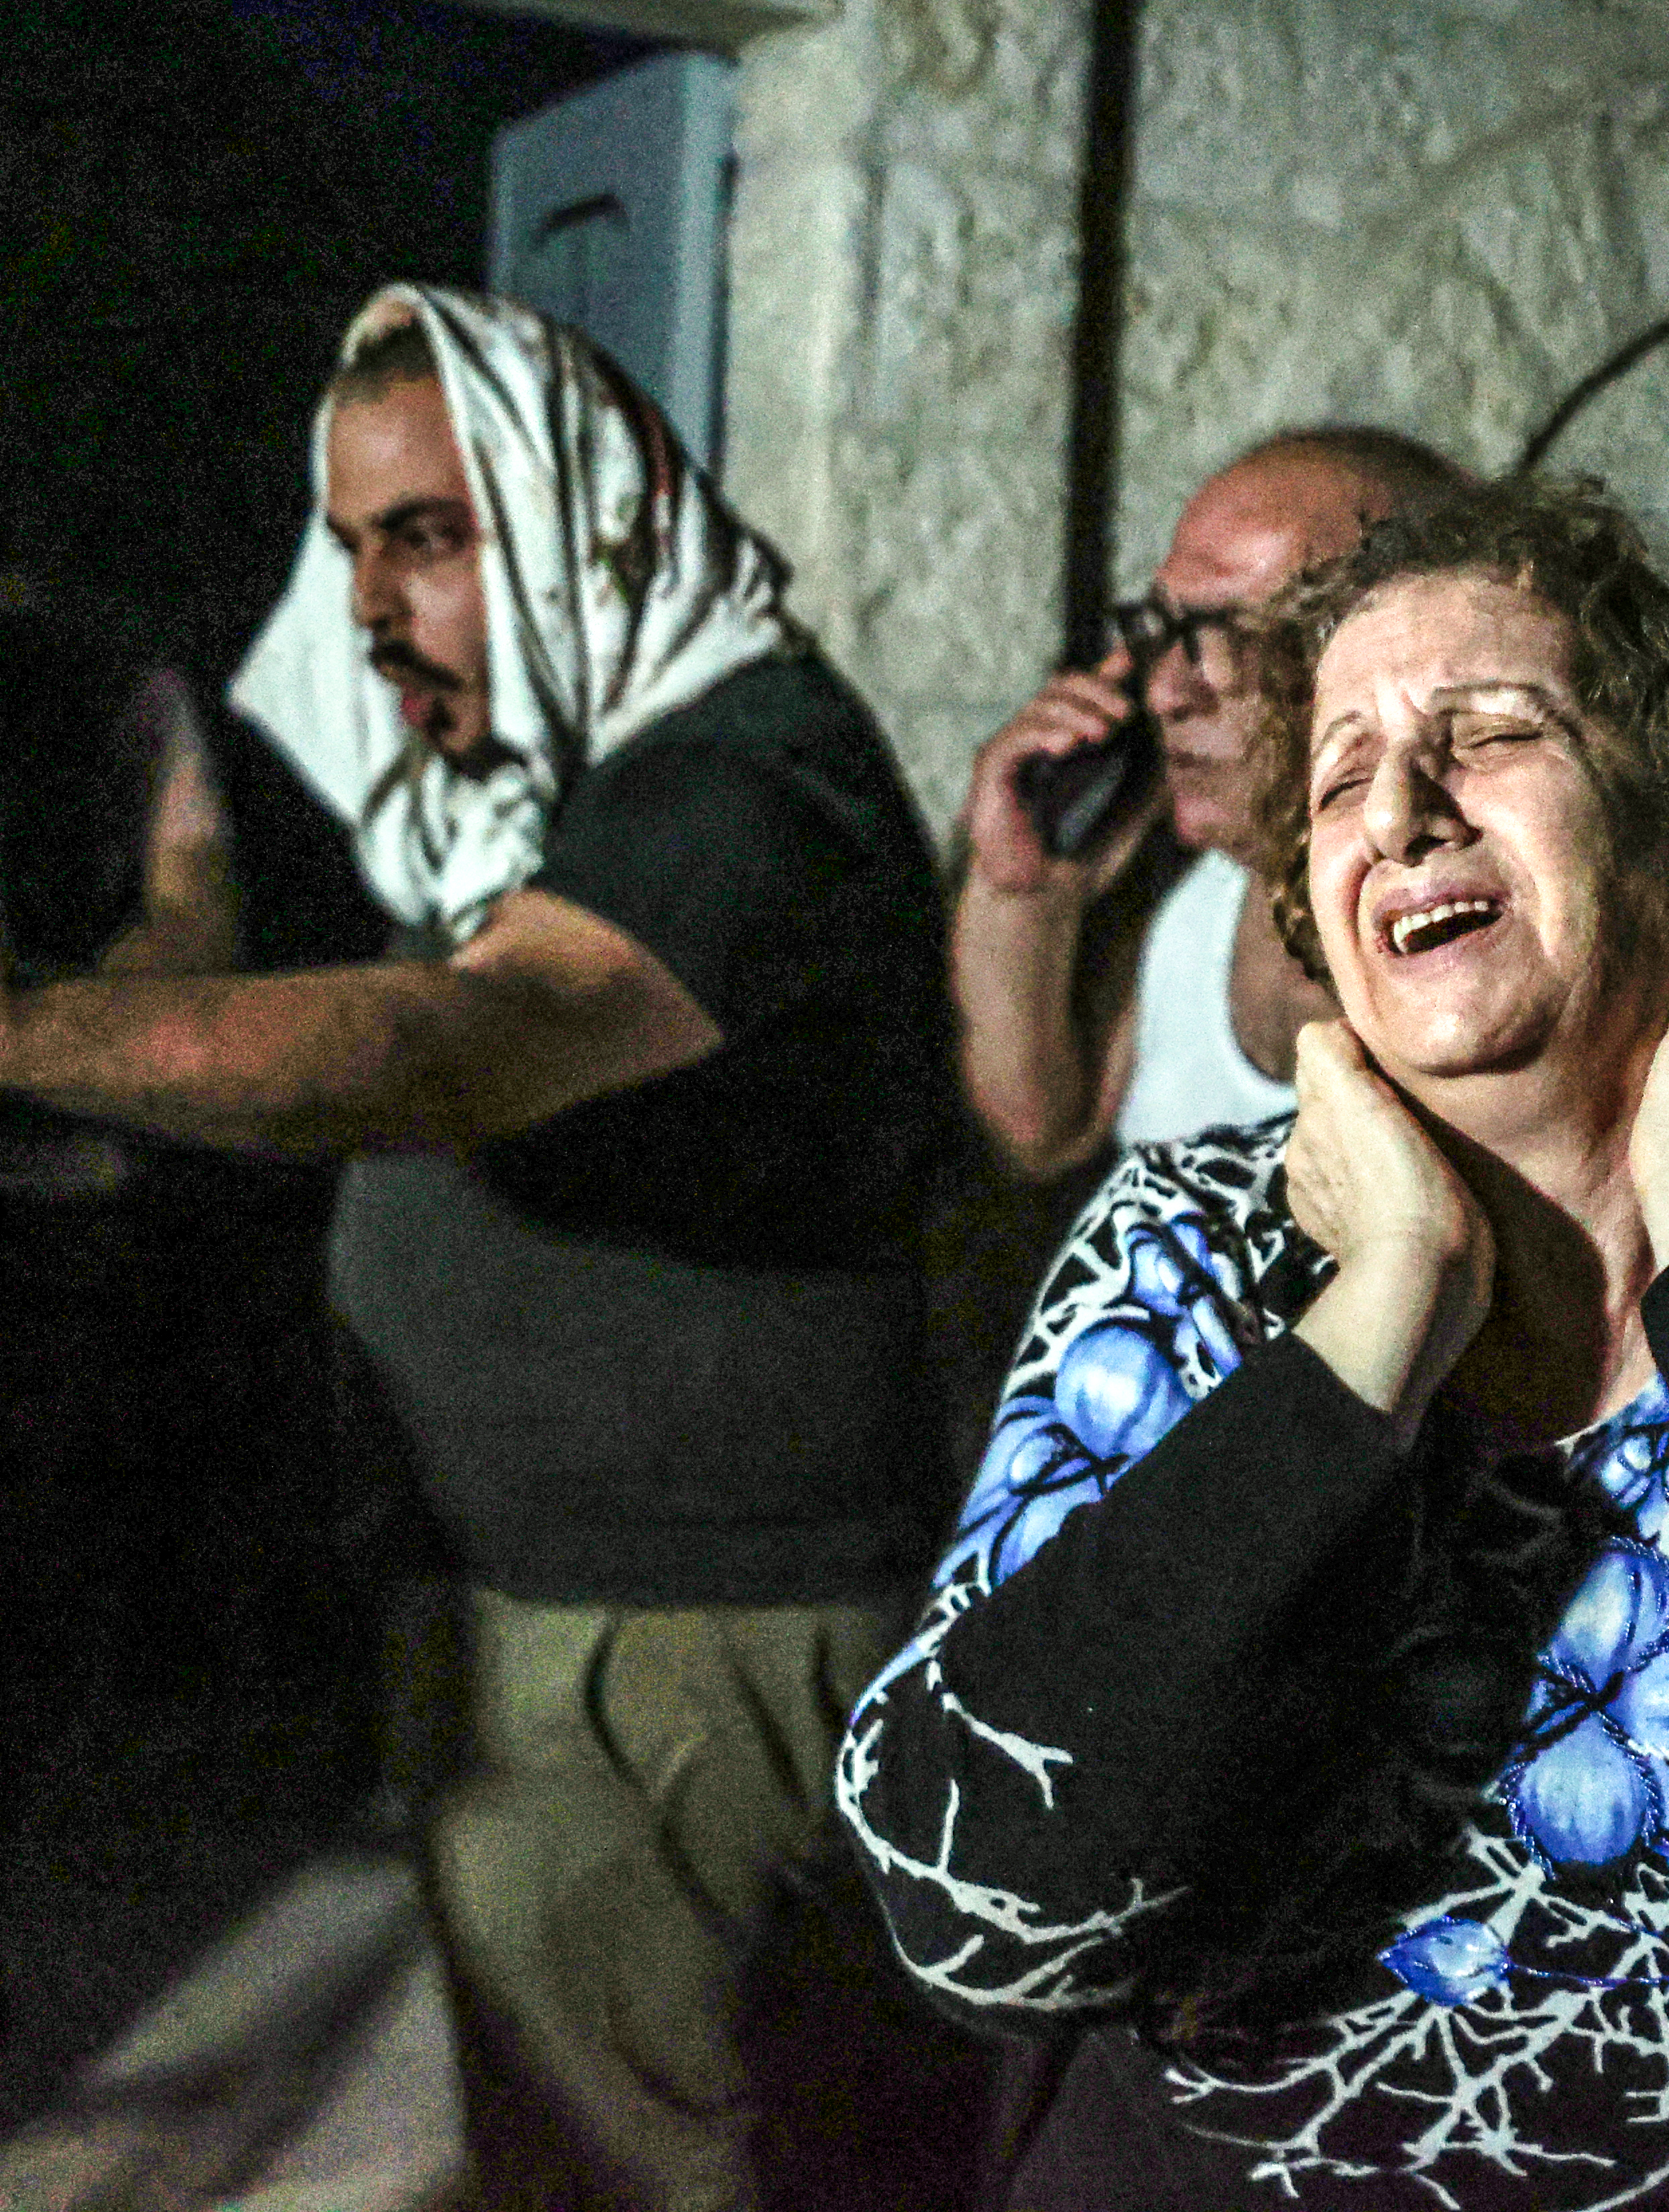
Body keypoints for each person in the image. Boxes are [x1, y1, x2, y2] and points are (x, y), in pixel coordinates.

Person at [840, 476, 1669, 2209]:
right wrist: (1385, 1304)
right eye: (1338, 777)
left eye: (1484, 737)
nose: (1398, 812)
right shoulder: (1182, 1244)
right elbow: (972, 1912)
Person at [0, 286, 960, 2209]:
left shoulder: (733, 780)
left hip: (670, 1641)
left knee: (621, 2167)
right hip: (543, 1611)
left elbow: (442, 1045)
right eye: (350, 545)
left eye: (427, 538)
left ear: (583, 517)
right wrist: (187, 833)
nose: (366, 606)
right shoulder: (535, 790)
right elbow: (218, 999)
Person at [951, 426, 1469, 1178]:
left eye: (1227, 633)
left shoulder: (1461, 942)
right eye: (1165, 630)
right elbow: (1040, 1132)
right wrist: (1021, 897)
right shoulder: (1199, 898)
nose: (1165, 691)